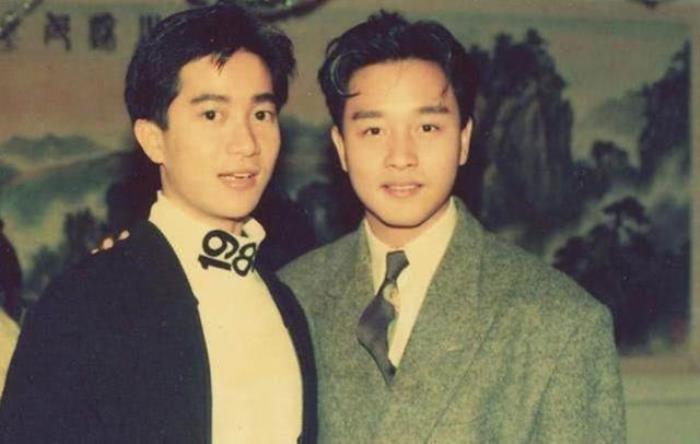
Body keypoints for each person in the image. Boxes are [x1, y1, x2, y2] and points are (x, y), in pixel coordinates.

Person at [280, 11, 625, 443]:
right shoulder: (293, 297)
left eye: (427, 127)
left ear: (463, 140)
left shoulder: (561, 321)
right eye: (374, 130)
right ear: (341, 147)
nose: (401, 156)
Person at [0, 4, 316, 443]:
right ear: (153, 140)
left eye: (261, 114)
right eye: (212, 115)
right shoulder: (83, 303)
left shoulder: (286, 301)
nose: (246, 143)